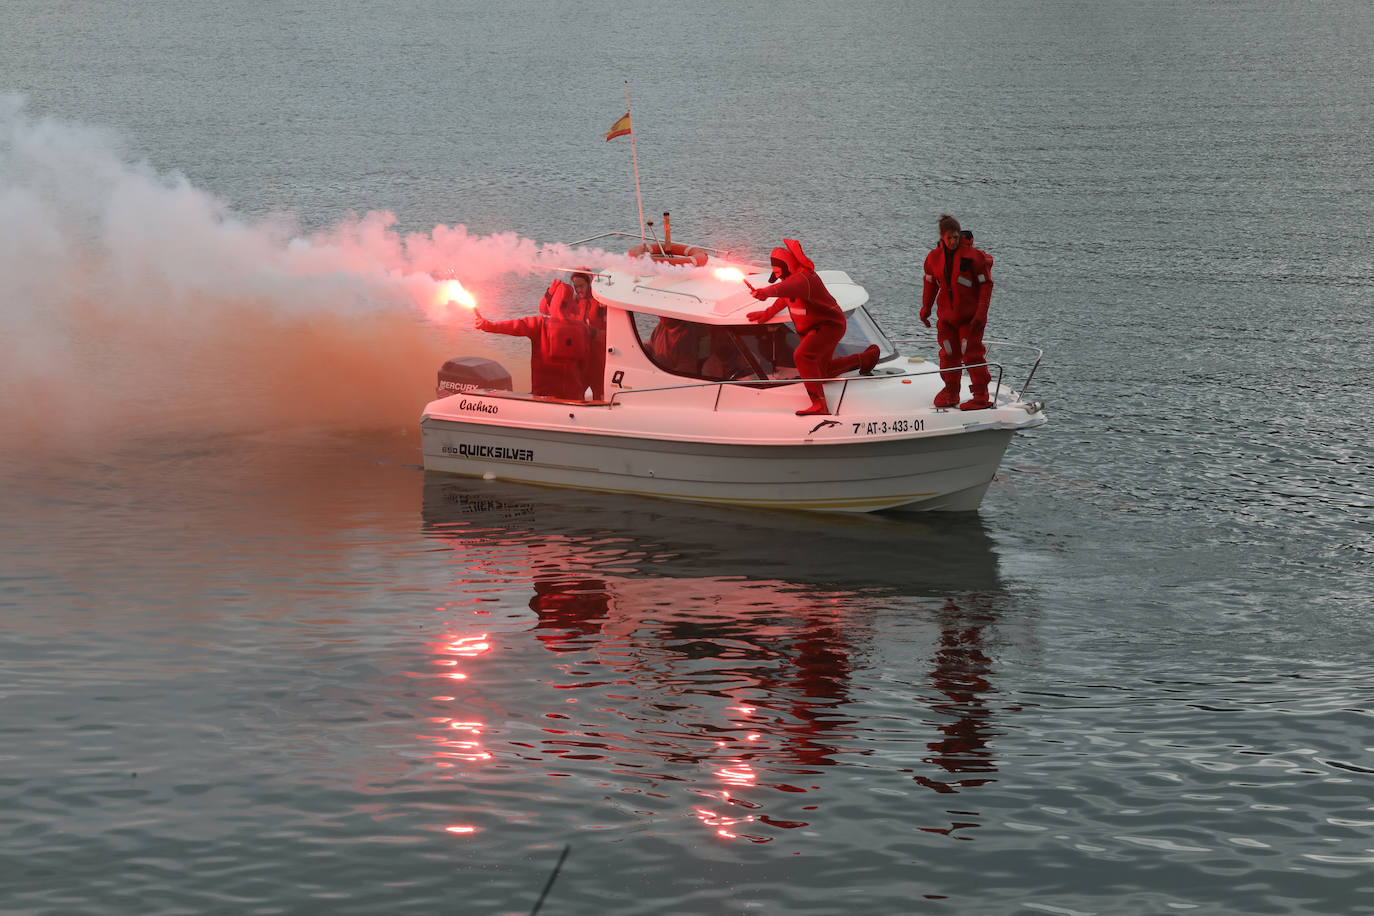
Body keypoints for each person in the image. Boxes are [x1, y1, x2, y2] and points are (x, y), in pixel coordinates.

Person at [747, 239, 880, 416]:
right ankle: (866, 358)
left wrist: (765, 292)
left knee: (802, 356)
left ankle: (819, 405)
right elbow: (786, 295)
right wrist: (768, 312)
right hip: (813, 329)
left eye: (779, 272)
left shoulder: (805, 279)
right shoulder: (790, 282)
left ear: (787, 267)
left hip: (828, 326)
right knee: (822, 373)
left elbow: (786, 288)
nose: (778, 277)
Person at [473, 279, 592, 400]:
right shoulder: (582, 329)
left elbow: (513, 326)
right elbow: (586, 365)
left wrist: (487, 325)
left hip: (543, 395)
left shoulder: (540, 324)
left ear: (553, 302)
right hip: (573, 397)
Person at [920, 214, 994, 410]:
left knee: (971, 354)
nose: (953, 241)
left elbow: (986, 285)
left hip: (969, 318)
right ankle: (950, 391)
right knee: (948, 354)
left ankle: (980, 395)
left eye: (955, 237)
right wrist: (926, 308)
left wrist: (981, 314)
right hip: (946, 318)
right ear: (942, 237)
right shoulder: (934, 258)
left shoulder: (973, 257)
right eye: (949, 238)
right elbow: (930, 284)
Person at [570, 270, 606, 399]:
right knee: (576, 392)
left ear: (589, 283)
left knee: (599, 393)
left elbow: (611, 333)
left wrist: (594, 334)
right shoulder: (574, 302)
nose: (579, 290)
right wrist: (551, 294)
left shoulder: (600, 302)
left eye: (581, 286)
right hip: (581, 358)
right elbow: (544, 309)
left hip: (598, 357)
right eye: (576, 287)